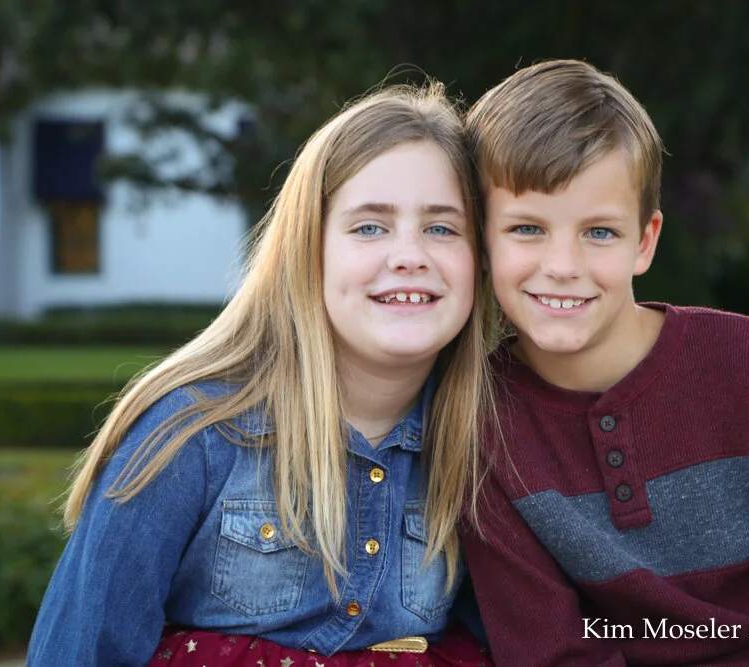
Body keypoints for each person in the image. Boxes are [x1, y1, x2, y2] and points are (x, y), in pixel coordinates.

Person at [26, 82, 497, 667]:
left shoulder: (486, 449)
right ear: (308, 250)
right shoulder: (191, 433)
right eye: (369, 227)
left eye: (442, 228)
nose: (409, 255)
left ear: (481, 259)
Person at [458, 59, 749, 666]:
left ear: (645, 241)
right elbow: (553, 654)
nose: (562, 266)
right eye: (527, 228)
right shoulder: (479, 423)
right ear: (483, 240)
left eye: (599, 232)